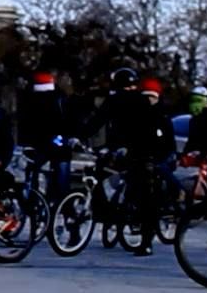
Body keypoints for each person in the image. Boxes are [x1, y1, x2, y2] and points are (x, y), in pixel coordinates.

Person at [83, 72, 174, 255]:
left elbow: (98, 121)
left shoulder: (119, 101)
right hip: (138, 151)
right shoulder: (141, 103)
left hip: (137, 152)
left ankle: (114, 218)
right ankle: (142, 237)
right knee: (142, 193)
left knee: (138, 190)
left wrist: (80, 136)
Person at [17, 70, 73, 203]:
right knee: (61, 170)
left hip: (38, 143)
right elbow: (65, 121)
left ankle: (36, 199)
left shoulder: (28, 98)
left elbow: (24, 123)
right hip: (56, 142)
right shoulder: (59, 98)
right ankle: (64, 203)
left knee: (34, 170)